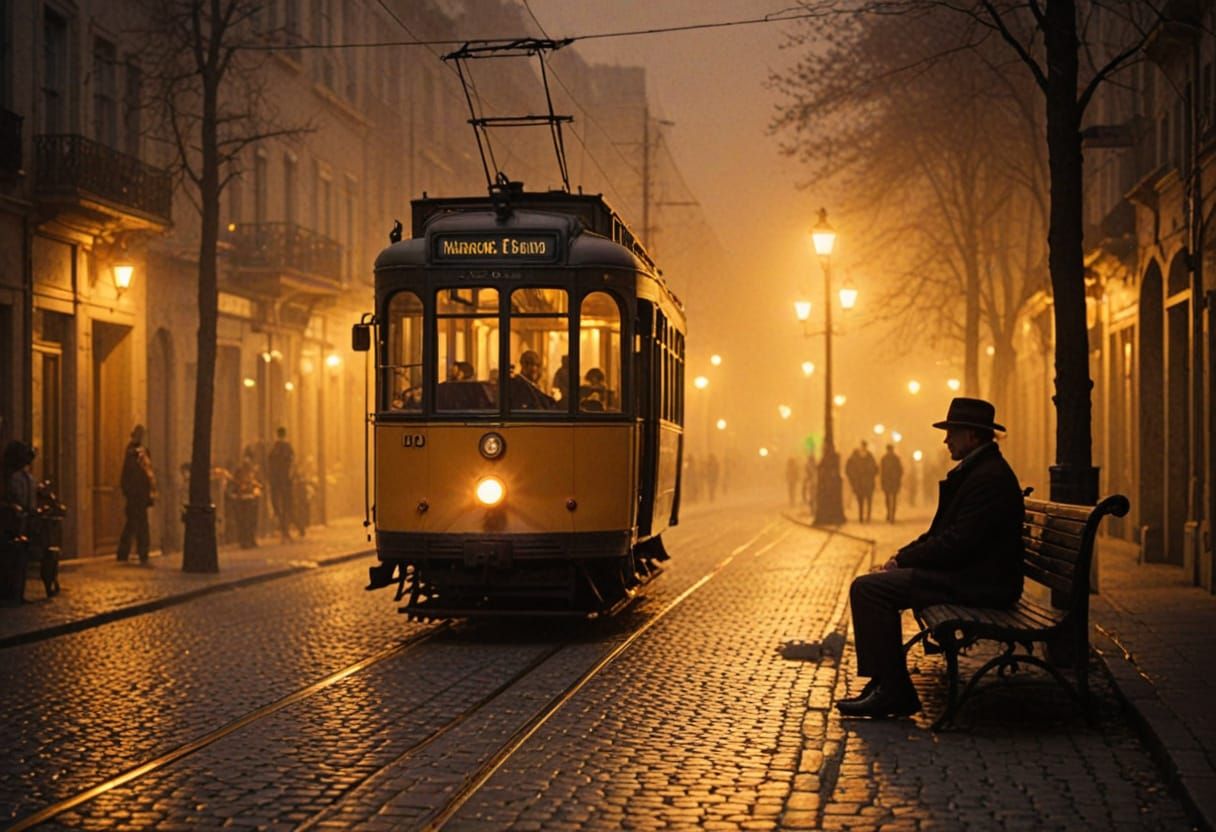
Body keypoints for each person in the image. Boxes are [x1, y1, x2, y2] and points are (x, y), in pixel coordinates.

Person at [837, 398, 1023, 718]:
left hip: (980, 582)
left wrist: (905, 562)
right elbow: (942, 536)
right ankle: (886, 682)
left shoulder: (987, 478)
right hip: (974, 573)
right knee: (873, 584)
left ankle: (893, 690)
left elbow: (956, 544)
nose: (946, 439)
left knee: (868, 589)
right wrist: (901, 558)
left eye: (952, 432)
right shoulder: (978, 472)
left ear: (973, 437)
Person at [1, 441, 37, 603]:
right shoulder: (10, 477)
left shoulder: (24, 476)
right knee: (12, 557)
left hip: (21, 520)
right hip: (9, 522)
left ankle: (17, 593)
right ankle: (11, 593)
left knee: (21, 557)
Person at [118, 425, 157, 565]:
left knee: (136, 524)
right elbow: (128, 474)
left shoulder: (143, 452)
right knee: (135, 525)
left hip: (140, 495)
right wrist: (128, 491)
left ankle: (138, 552)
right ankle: (134, 552)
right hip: (135, 495)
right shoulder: (132, 452)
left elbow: (148, 474)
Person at [227, 447, 263, 549]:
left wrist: (256, 489)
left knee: (249, 521)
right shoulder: (241, 470)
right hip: (243, 498)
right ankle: (245, 540)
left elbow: (259, 484)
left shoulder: (253, 471)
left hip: (250, 498)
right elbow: (234, 483)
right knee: (244, 521)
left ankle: (249, 540)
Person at [267, 426, 295, 543]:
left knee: (278, 504)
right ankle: (285, 530)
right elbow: (292, 463)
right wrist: (290, 476)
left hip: (276, 481)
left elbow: (269, 463)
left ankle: (284, 529)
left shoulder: (274, 448)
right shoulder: (287, 447)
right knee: (286, 505)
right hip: (285, 481)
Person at [845, 440, 878, 523]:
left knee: (865, 500)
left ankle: (865, 517)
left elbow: (875, 469)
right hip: (862, 482)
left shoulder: (858, 457)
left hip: (864, 482)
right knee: (862, 500)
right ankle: (863, 517)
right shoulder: (867, 457)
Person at [880, 444, 904, 523]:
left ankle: (892, 515)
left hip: (892, 482)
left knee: (892, 499)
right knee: (889, 499)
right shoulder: (886, 459)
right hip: (890, 482)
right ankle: (890, 514)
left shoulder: (893, 459)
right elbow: (882, 471)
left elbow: (900, 470)